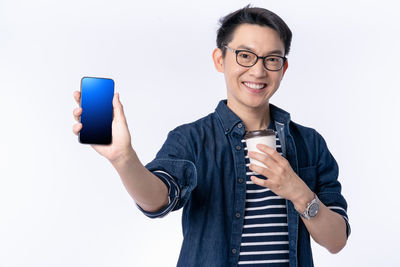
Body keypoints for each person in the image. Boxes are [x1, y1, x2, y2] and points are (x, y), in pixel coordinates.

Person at [72, 5, 350, 267]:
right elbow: (157, 200)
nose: (258, 70)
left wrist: (298, 192)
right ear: (220, 59)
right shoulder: (192, 140)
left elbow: (336, 240)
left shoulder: (309, 144)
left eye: (272, 60)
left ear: (283, 68)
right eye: (245, 55)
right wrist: (124, 158)